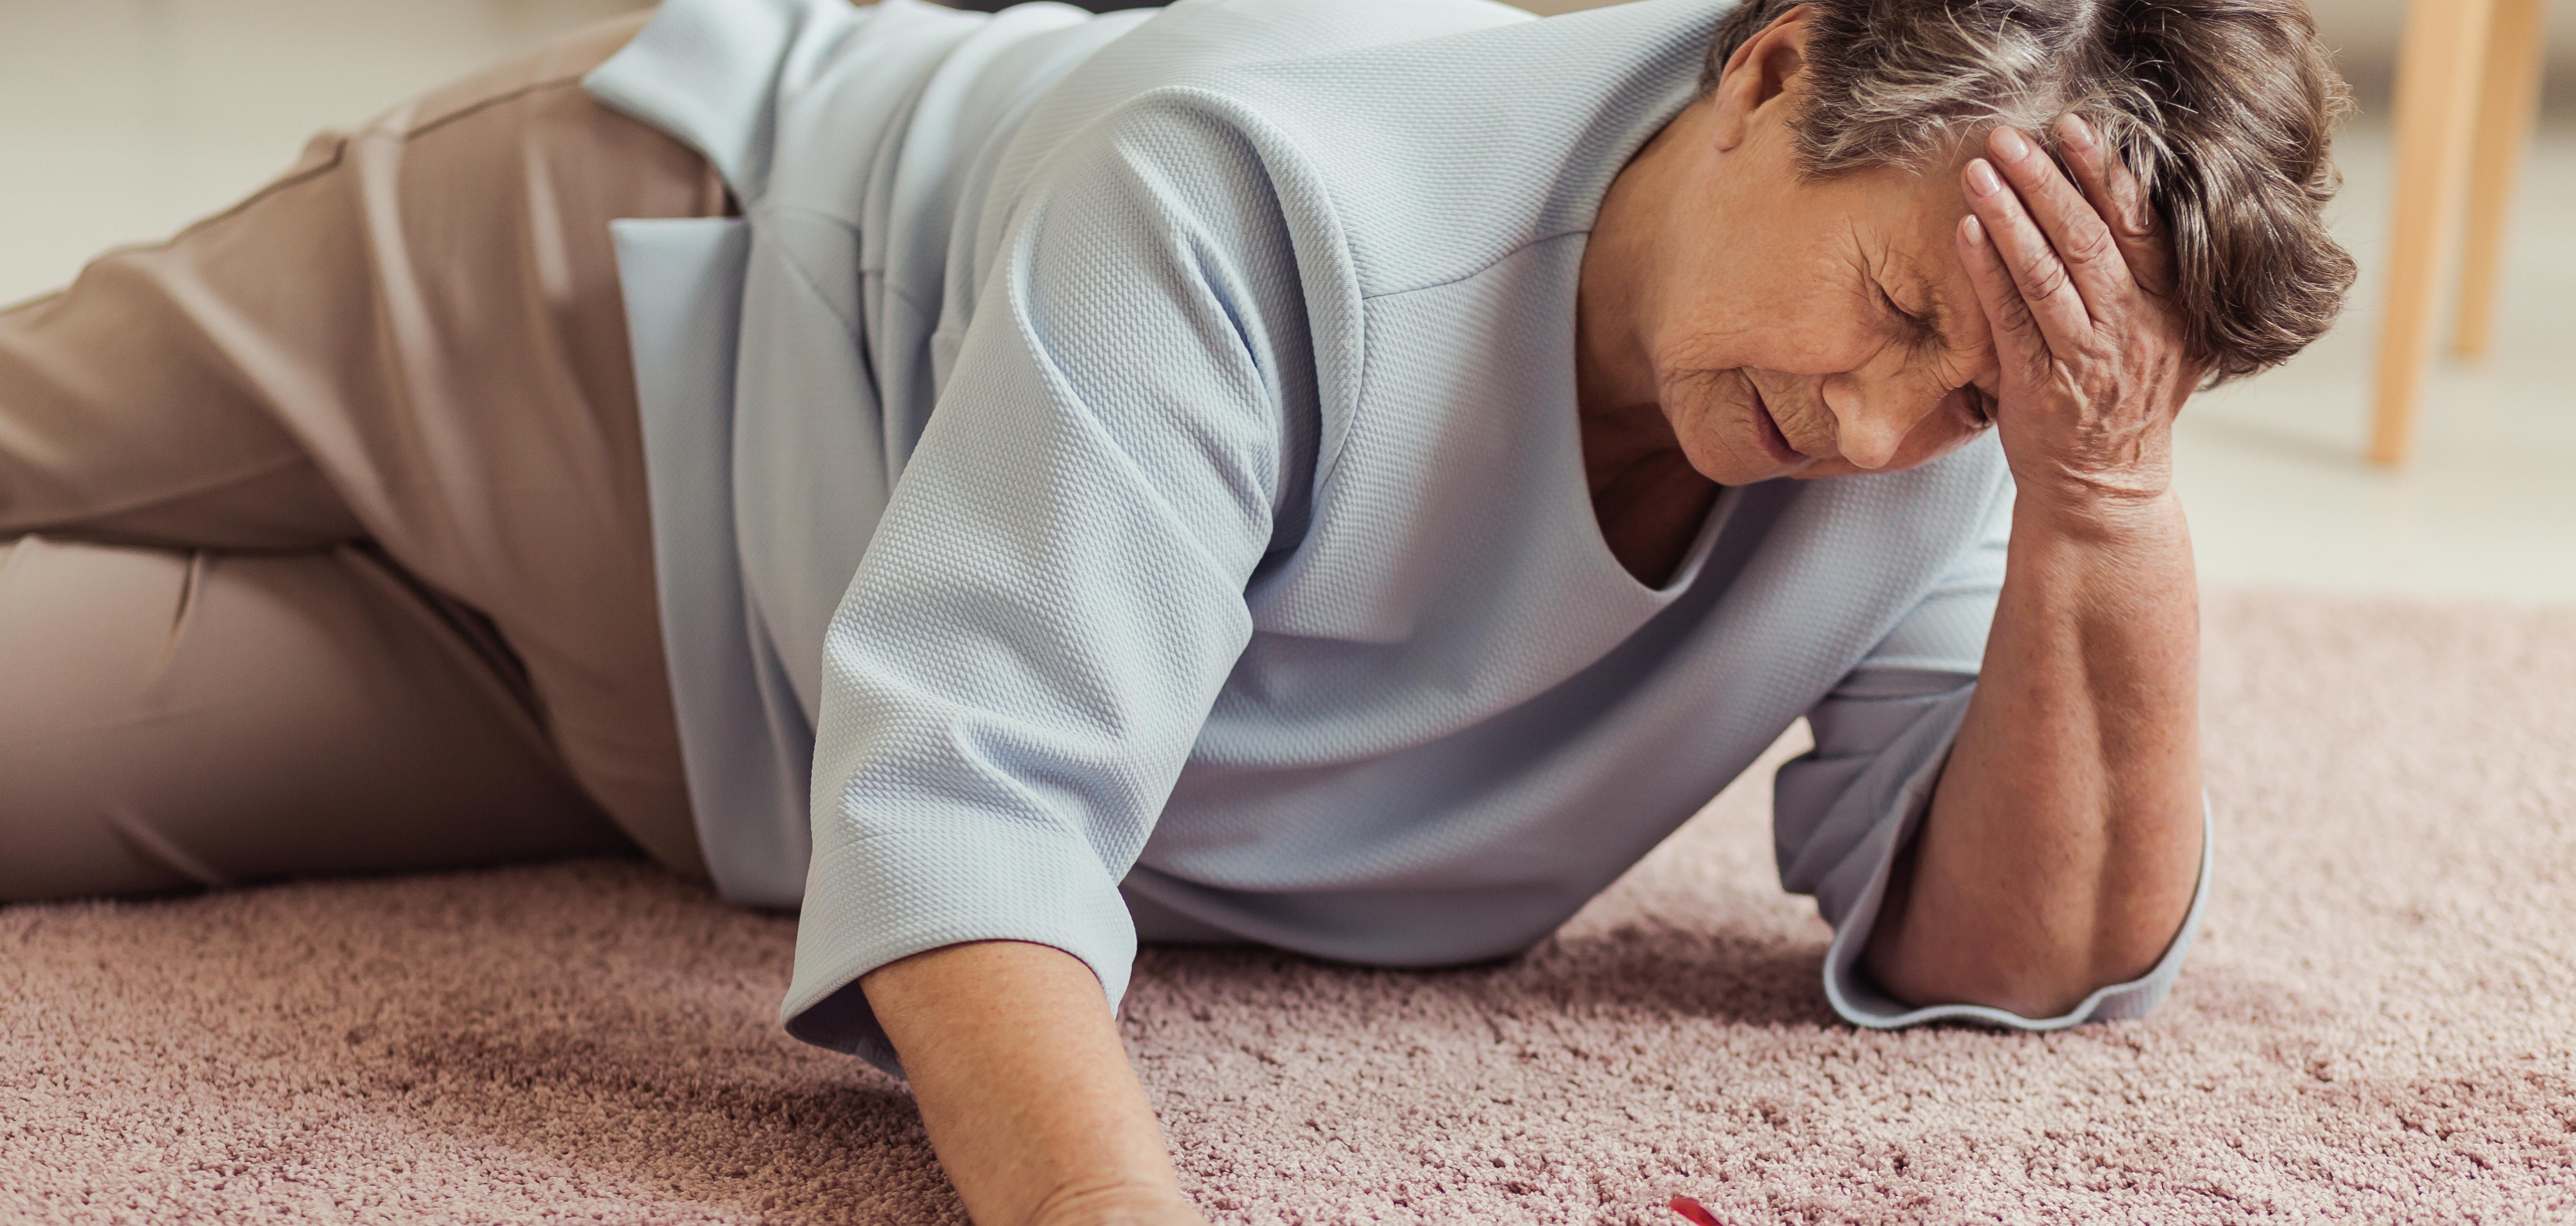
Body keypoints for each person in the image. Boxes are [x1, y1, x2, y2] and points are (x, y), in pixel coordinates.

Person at [0, 0, 2351, 1221]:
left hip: (699, 737)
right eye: (1897, 309)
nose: (1878, 423)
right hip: (591, 323)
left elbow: (2008, 957)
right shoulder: (1259, 200)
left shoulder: (1968, 441)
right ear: (1769, 70)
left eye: (1986, 395)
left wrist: (2103, 502)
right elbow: (980, 812)